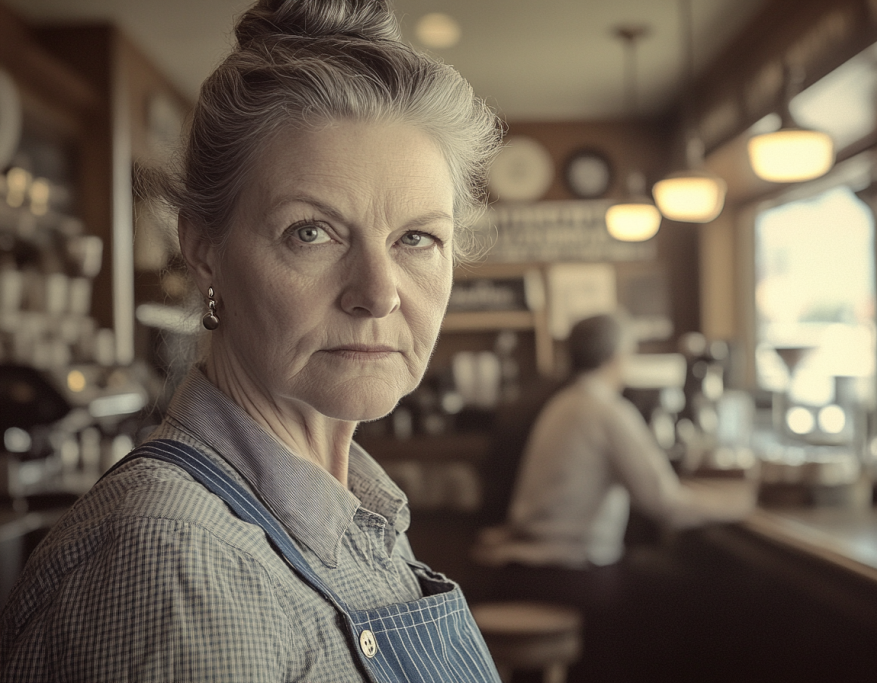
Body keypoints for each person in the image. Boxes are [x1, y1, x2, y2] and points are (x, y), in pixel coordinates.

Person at [0, 1, 503, 680]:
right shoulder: (177, 562)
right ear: (204, 249)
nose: (378, 292)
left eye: (417, 238)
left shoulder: (357, 514)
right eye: (311, 231)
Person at [473, 314, 755, 682]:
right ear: (618, 355)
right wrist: (743, 503)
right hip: (571, 578)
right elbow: (667, 505)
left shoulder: (560, 404)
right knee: (695, 594)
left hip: (522, 573)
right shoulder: (606, 410)